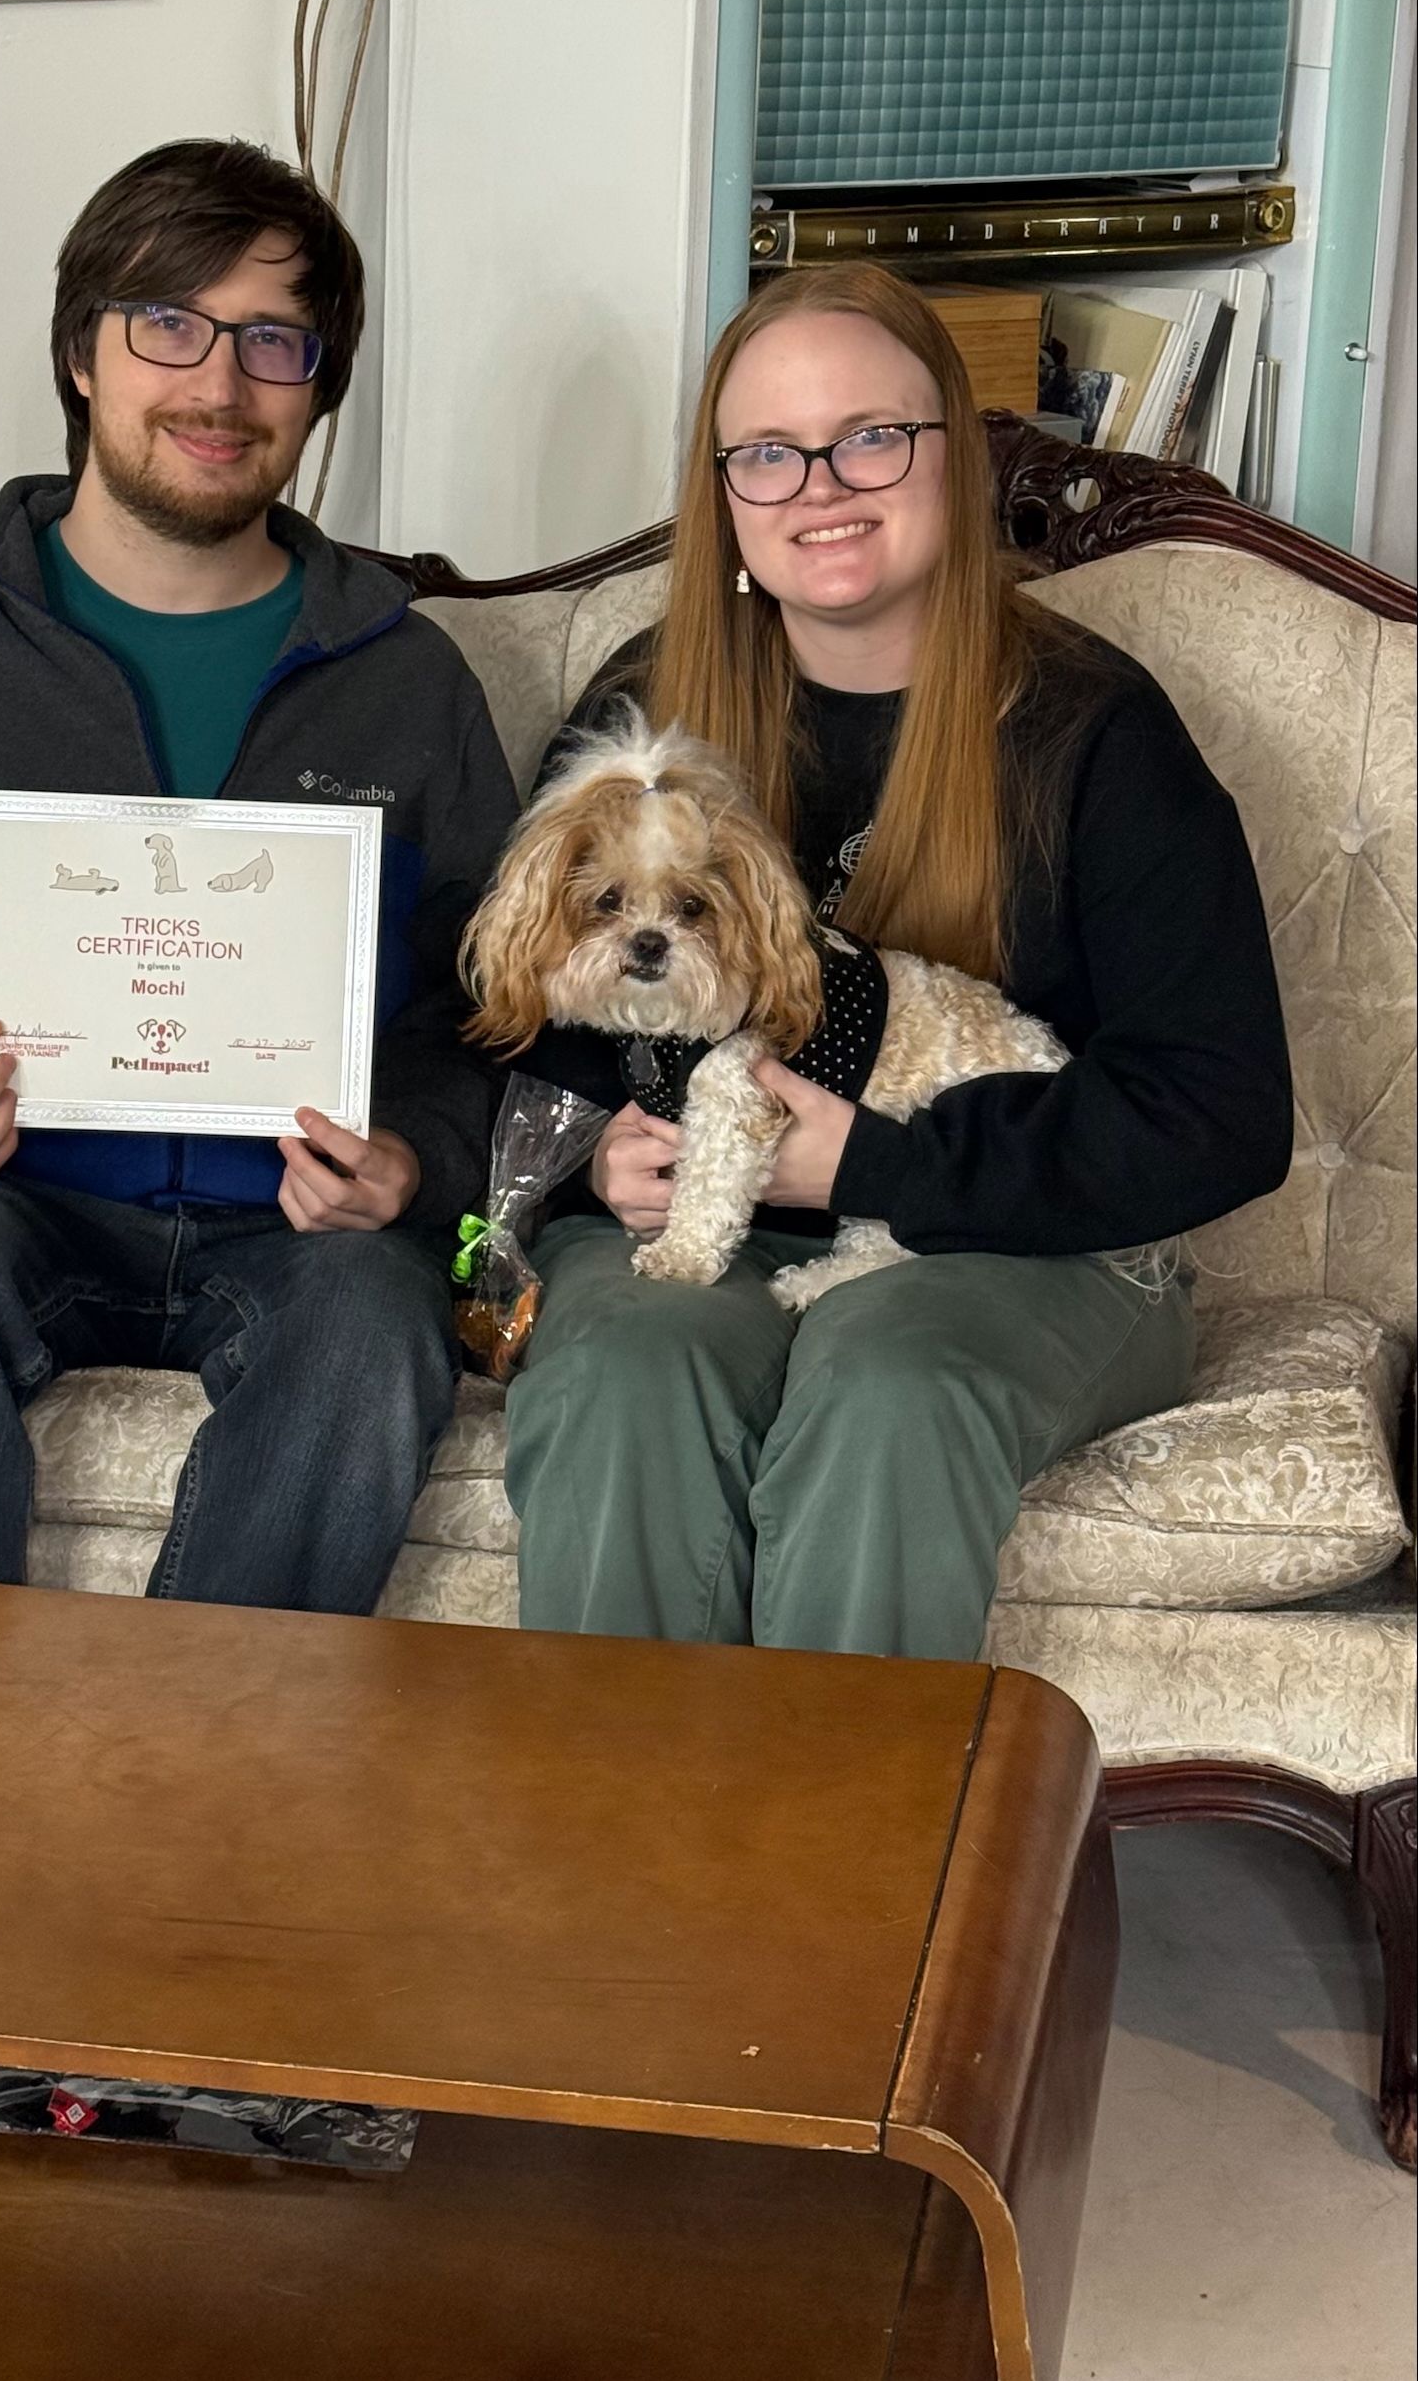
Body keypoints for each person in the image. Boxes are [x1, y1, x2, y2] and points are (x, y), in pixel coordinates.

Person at [0, 139, 517, 1610]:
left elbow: (495, 1012)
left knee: (374, 1322)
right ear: (83, 354)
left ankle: (191, 1798)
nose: (219, 385)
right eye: (169, 325)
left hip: (295, 1230)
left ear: (317, 387)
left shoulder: (410, 685)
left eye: (274, 341)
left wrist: (418, 1164)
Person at [504, 264, 1292, 1661]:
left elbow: (1219, 1114)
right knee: (625, 1366)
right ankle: (619, 1863)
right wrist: (596, 1157)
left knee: (887, 1378)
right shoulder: (647, 707)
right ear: (726, 494)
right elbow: (539, 1007)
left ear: (956, 457)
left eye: (872, 435)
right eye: (769, 452)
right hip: (720, 1227)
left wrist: (877, 1171)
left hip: (1027, 1242)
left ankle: (838, 1879)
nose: (822, 484)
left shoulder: (1096, 735)